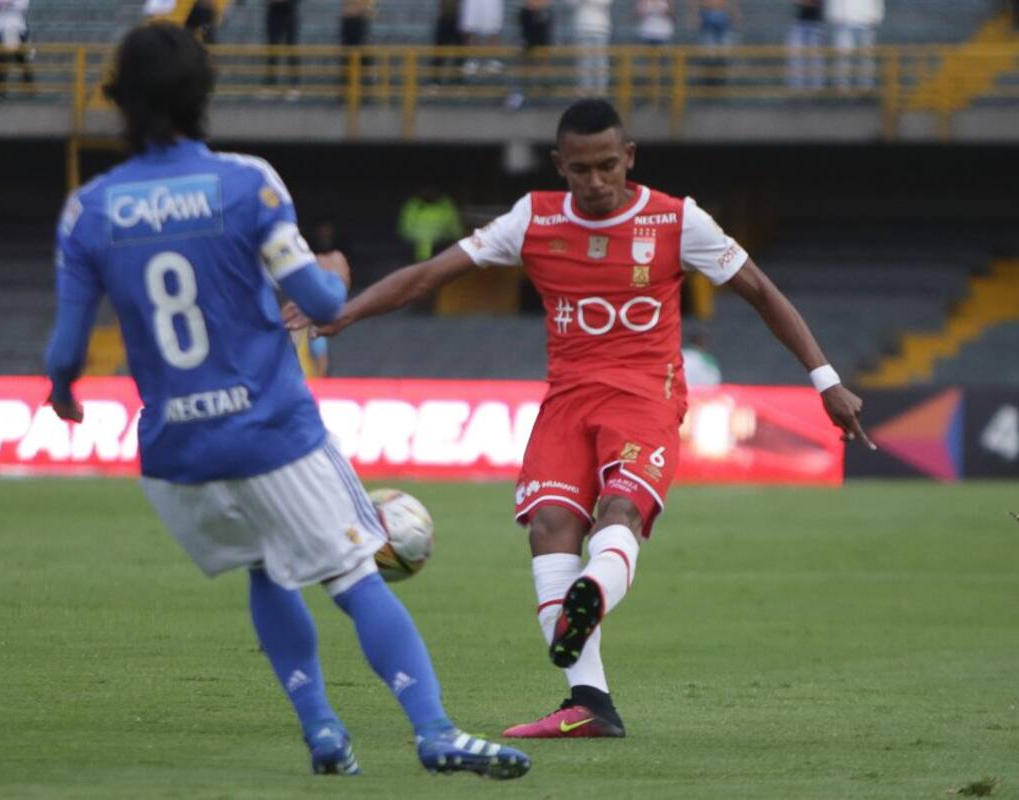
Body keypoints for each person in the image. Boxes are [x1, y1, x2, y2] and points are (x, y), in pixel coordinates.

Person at [286, 98, 874, 739]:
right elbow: (429, 276)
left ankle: (585, 598)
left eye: (605, 166)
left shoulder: (678, 220)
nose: (594, 182)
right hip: (567, 400)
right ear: (558, 165)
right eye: (580, 169)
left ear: (629, 158)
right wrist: (344, 314)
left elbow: (760, 290)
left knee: (618, 513)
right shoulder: (531, 220)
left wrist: (826, 379)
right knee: (549, 525)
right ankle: (590, 701)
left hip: (646, 397)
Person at [44, 23, 530, 779]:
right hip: (269, 429)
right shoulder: (248, 183)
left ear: (118, 100)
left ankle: (324, 732)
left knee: (269, 569)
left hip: (173, 454)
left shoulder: (89, 210)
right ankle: (435, 730)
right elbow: (322, 301)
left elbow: (65, 351)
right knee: (353, 575)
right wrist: (329, 267)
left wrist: (61, 394)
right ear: (204, 95)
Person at [827, 0, 884, 92]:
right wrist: (834, 16)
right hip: (843, 21)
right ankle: (842, 88)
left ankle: (865, 87)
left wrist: (876, 17)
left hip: (866, 20)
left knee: (866, 57)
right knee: (843, 56)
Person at [397, 187, 463, 262]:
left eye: (431, 190)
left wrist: (457, 239)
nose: (428, 193)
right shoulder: (414, 204)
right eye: (426, 190)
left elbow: (454, 225)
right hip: (414, 247)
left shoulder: (446, 205)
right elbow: (405, 226)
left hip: (440, 246)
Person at [0, 0, 33, 99]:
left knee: (22, 57)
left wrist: (9, 3)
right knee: (1, 59)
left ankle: (29, 85)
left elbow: (24, 6)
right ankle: (0, 91)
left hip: (18, 26)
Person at [568, 0, 612, 96]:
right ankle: (585, 89)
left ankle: (601, 89)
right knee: (584, 61)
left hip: (600, 28)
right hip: (581, 27)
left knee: (600, 61)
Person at [264, 0, 301, 95]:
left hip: (290, 12)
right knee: (272, 50)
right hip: (273, 13)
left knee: (292, 50)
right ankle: (270, 85)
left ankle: (294, 85)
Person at [786, 0, 824, 90]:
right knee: (796, 56)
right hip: (799, 23)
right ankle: (797, 88)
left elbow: (815, 3)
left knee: (815, 58)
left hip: (815, 24)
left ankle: (816, 88)